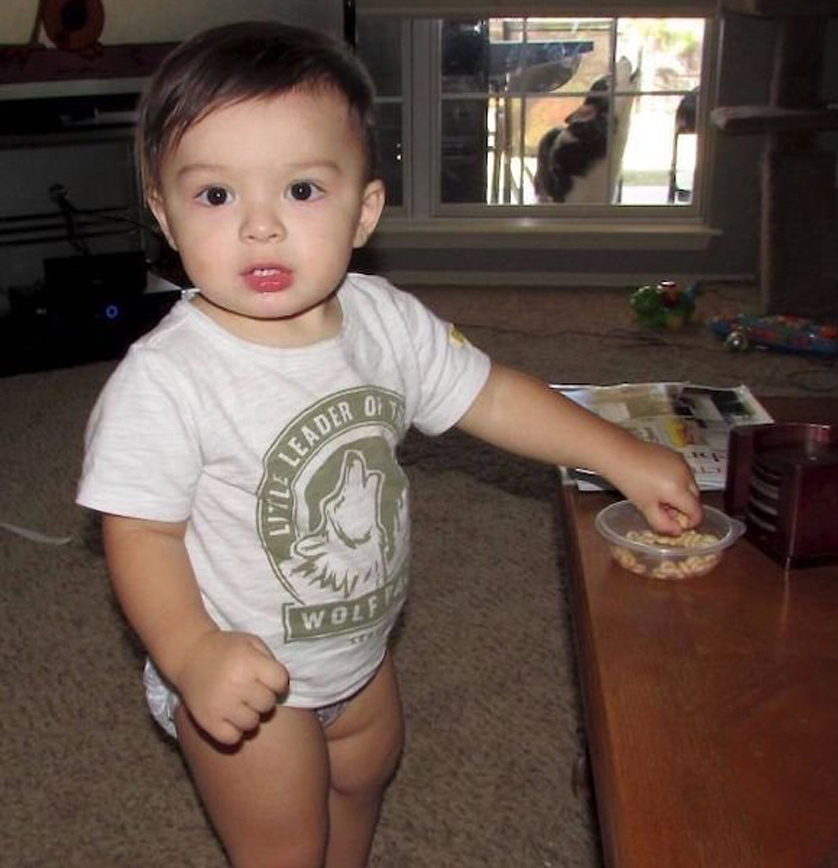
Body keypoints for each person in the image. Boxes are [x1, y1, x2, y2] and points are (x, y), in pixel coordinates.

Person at [76, 21, 701, 868]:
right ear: (165, 214)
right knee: (285, 847)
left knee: (363, 782)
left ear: (364, 209)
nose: (260, 227)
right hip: (249, 675)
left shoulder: (385, 321)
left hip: (362, 651)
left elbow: (492, 395)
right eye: (216, 196)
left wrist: (617, 452)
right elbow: (141, 532)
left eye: (301, 190)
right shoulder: (168, 378)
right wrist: (191, 652)